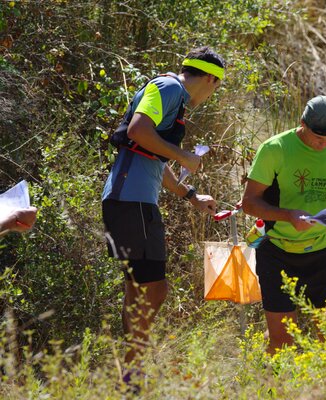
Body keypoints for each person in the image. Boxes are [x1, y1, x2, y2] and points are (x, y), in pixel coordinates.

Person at [101, 46, 223, 376]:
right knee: (154, 289)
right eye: (216, 87)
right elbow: (137, 131)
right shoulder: (169, 88)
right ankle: (133, 370)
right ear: (211, 79)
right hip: (131, 202)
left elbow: (151, 155)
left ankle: (131, 370)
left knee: (138, 289)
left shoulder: (173, 96)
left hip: (129, 201)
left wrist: (191, 195)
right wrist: (183, 156)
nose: (212, 95)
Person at [242, 95, 326, 354]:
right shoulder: (275, 148)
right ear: (302, 124)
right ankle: (270, 388)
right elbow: (250, 203)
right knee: (282, 341)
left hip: (323, 254)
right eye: (318, 137)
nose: (323, 144)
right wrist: (288, 216)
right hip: (276, 252)